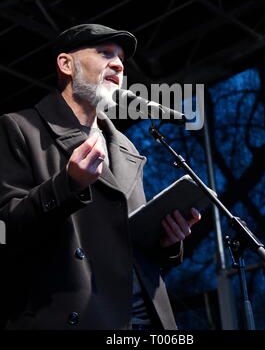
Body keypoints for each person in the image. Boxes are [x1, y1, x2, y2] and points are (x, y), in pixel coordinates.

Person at [0, 24, 201, 330]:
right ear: (66, 64)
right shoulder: (19, 128)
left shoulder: (126, 147)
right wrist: (69, 185)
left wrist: (167, 242)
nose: (119, 64)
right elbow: (8, 228)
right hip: (77, 316)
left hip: (146, 319)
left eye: (121, 59)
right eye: (105, 53)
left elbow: (128, 243)